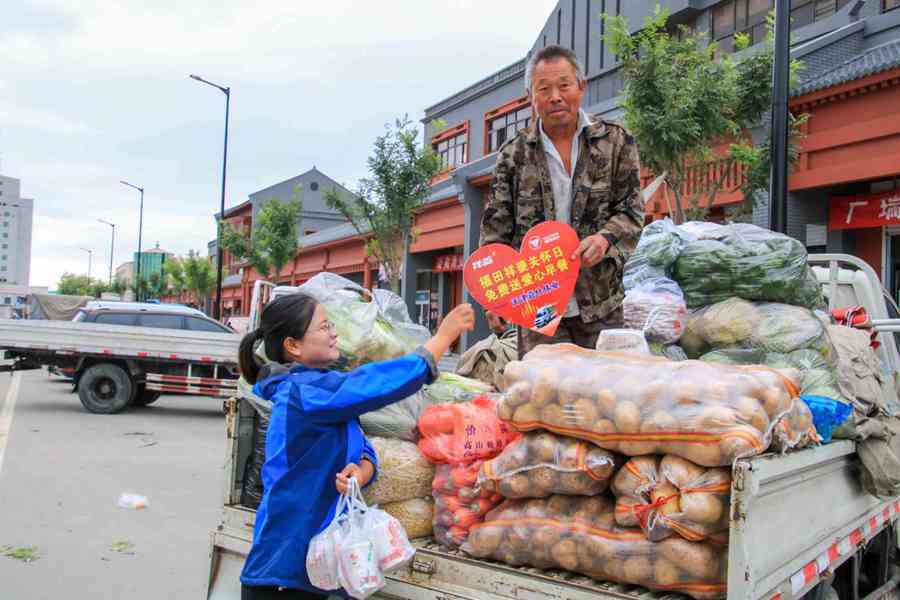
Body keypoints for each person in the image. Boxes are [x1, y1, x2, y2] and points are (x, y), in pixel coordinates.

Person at [238, 293, 475, 599]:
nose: (333, 332)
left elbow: (360, 444)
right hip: (282, 571)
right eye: (324, 327)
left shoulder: (318, 393)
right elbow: (373, 383)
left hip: (310, 569)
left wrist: (362, 471)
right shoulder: (304, 393)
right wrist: (440, 340)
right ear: (293, 345)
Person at [480, 44, 645, 357]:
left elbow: (632, 211)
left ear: (581, 86)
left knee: (604, 394)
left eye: (564, 85)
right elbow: (495, 231)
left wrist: (605, 238)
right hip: (539, 308)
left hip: (600, 303)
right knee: (544, 395)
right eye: (544, 88)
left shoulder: (616, 142)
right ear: (531, 96)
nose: (555, 96)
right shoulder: (513, 155)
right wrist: (495, 297)